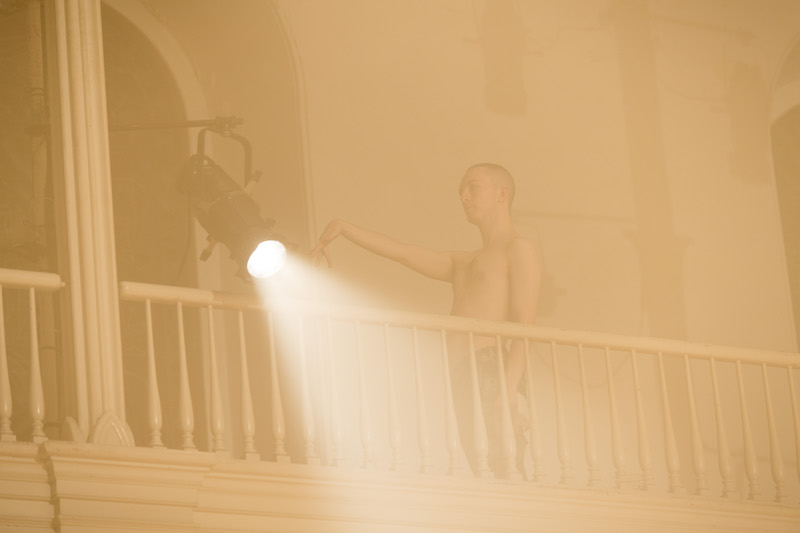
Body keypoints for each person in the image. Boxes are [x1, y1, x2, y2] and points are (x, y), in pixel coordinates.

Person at [310, 163, 541, 477]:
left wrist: (510, 387)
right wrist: (344, 227)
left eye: (473, 187)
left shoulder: (518, 248)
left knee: (506, 464)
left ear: (502, 194)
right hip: (462, 371)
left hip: (492, 366)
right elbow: (404, 253)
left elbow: (525, 324)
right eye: (461, 190)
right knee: (483, 468)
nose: (463, 196)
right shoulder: (463, 261)